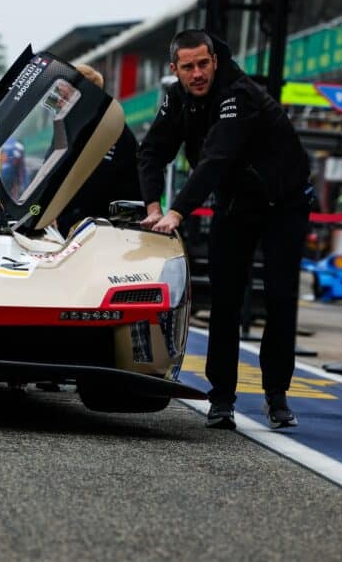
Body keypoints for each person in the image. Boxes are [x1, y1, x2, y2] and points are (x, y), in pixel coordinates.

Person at [138, 29, 311, 429]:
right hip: (237, 204)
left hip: (285, 203)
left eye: (203, 64)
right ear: (175, 69)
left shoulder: (239, 93)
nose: (197, 74)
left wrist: (177, 212)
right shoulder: (178, 97)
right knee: (225, 301)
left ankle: (277, 396)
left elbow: (215, 159)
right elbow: (151, 153)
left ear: (215, 61)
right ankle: (221, 399)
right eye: (188, 67)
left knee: (281, 298)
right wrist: (152, 207)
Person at [56, 64, 140, 235]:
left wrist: (58, 215)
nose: (58, 102)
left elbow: (94, 184)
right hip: (92, 215)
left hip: (116, 224)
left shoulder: (106, 126)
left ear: (83, 96)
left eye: (63, 96)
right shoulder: (76, 125)